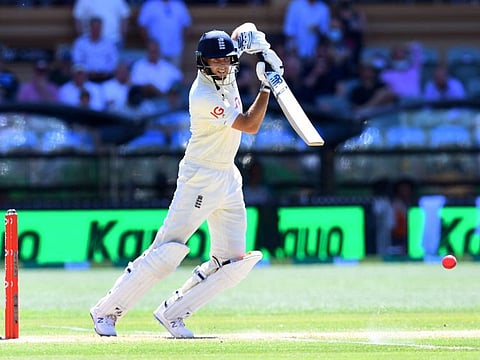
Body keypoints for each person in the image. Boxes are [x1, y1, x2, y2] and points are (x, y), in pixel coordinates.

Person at [90, 25, 283, 338]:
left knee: (233, 262)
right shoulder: (204, 95)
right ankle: (106, 312)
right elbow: (249, 125)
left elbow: (241, 32)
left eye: (226, 61)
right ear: (202, 63)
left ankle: (174, 313)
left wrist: (258, 43)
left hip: (228, 175)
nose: (221, 66)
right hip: (200, 176)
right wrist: (266, 87)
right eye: (215, 62)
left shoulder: (228, 67)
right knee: (167, 251)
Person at [137, 0, 192, 68]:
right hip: (156, 52)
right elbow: (142, 26)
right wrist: (150, 45)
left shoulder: (179, 5)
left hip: (175, 50)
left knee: (175, 75)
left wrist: (181, 44)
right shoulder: (149, 5)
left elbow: (186, 26)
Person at [130, 39, 184, 105]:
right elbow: (137, 84)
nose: (153, 54)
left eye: (155, 51)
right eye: (151, 51)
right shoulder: (139, 65)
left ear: (159, 52)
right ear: (147, 51)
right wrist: (154, 89)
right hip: (145, 100)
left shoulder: (167, 66)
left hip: (166, 101)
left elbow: (180, 78)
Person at [71, 16, 119, 83]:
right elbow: (77, 61)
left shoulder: (109, 43)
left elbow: (114, 61)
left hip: (106, 77)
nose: (96, 30)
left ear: (101, 28)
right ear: (90, 27)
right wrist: (88, 71)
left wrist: (104, 71)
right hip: (86, 78)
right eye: (94, 27)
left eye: (98, 27)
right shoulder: (80, 43)